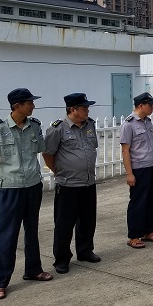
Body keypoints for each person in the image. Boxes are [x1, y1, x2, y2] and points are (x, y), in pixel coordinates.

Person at [0, 88, 53, 301]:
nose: (33, 106)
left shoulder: (35, 126)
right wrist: (5, 179)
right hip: (10, 189)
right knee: (6, 235)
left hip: (32, 186)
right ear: (17, 106)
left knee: (31, 230)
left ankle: (33, 270)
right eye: (29, 103)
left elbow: (41, 150)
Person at [42, 93, 101, 275]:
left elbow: (93, 148)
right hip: (68, 185)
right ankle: (62, 259)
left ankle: (85, 251)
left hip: (88, 182)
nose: (87, 110)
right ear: (73, 109)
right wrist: (58, 171)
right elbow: (48, 154)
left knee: (88, 221)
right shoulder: (58, 129)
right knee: (64, 224)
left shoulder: (90, 125)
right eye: (84, 108)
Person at [120, 92, 153, 249]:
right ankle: (134, 236)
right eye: (150, 105)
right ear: (141, 105)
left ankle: (148, 231)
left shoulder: (147, 122)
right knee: (138, 202)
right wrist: (129, 173)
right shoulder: (129, 124)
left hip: (152, 166)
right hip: (139, 169)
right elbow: (125, 150)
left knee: (152, 200)